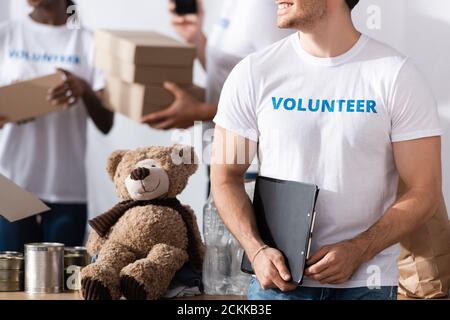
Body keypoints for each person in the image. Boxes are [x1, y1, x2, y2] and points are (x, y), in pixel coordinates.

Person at [211, 0, 442, 300]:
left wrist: (359, 250)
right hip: (279, 285)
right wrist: (256, 251)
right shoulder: (252, 73)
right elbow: (225, 176)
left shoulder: (397, 75)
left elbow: (425, 191)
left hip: (366, 285)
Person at [0, 0, 113, 252]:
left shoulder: (89, 42)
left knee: (61, 285)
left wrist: (83, 88)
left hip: (67, 188)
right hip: (10, 185)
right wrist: (15, 106)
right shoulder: (6, 35)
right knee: (10, 285)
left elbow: (106, 122)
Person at [141, 0, 291, 134]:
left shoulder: (265, 6)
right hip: (218, 146)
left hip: (248, 156)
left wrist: (201, 112)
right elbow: (230, 74)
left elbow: (282, 95)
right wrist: (196, 37)